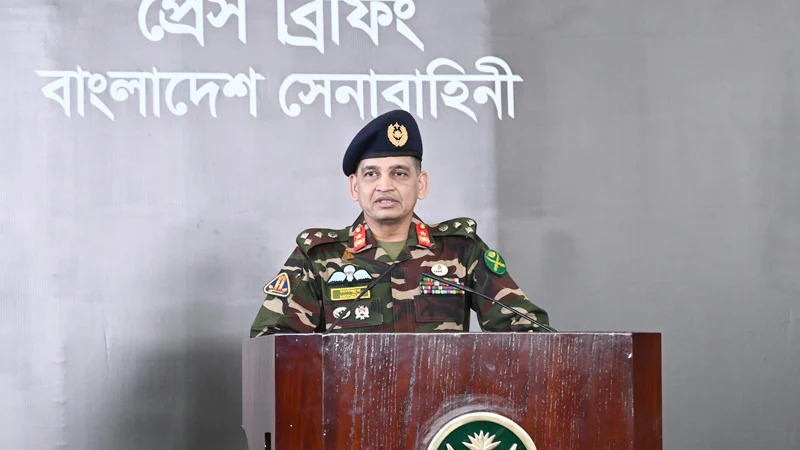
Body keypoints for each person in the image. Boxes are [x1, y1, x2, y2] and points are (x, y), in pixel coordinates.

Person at [250, 110, 549, 336]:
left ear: (421, 184)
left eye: (399, 173)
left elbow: (528, 331)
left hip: (443, 402)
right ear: (355, 187)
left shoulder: (461, 251)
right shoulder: (318, 257)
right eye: (371, 174)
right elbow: (271, 343)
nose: (385, 186)